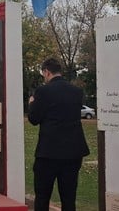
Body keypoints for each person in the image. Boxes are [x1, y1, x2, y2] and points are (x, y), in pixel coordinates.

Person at [27, 58, 90, 211]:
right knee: (69, 198)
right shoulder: (76, 92)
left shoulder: (43, 91)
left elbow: (34, 119)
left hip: (49, 152)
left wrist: (31, 104)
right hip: (73, 152)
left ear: (47, 72)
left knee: (42, 196)